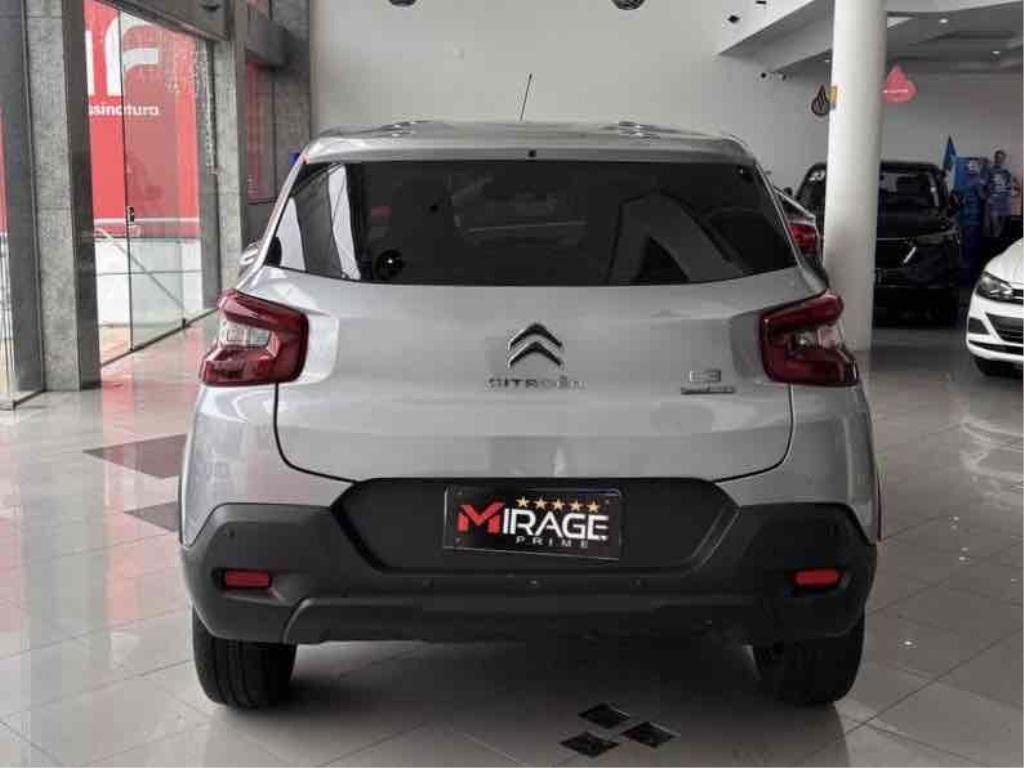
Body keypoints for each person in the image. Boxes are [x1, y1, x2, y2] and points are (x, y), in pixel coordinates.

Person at [983, 149, 1019, 242]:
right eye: (998, 157)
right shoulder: (989, 171)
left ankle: (999, 243)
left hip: (1004, 202)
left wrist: (1013, 188)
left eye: (1001, 158)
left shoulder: (1006, 172)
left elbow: (1010, 187)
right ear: (995, 158)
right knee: (993, 225)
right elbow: (983, 187)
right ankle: (994, 242)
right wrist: (987, 198)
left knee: (1002, 226)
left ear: (1004, 159)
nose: (999, 160)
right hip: (993, 202)